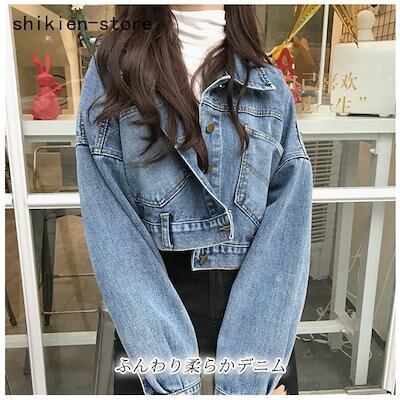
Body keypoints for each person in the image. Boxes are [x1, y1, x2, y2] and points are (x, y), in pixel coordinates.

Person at [75, 4, 313, 396]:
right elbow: (113, 229)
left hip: (260, 324)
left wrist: (249, 384)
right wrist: (171, 381)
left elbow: (286, 231)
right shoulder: (114, 71)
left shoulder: (268, 83)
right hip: (150, 324)